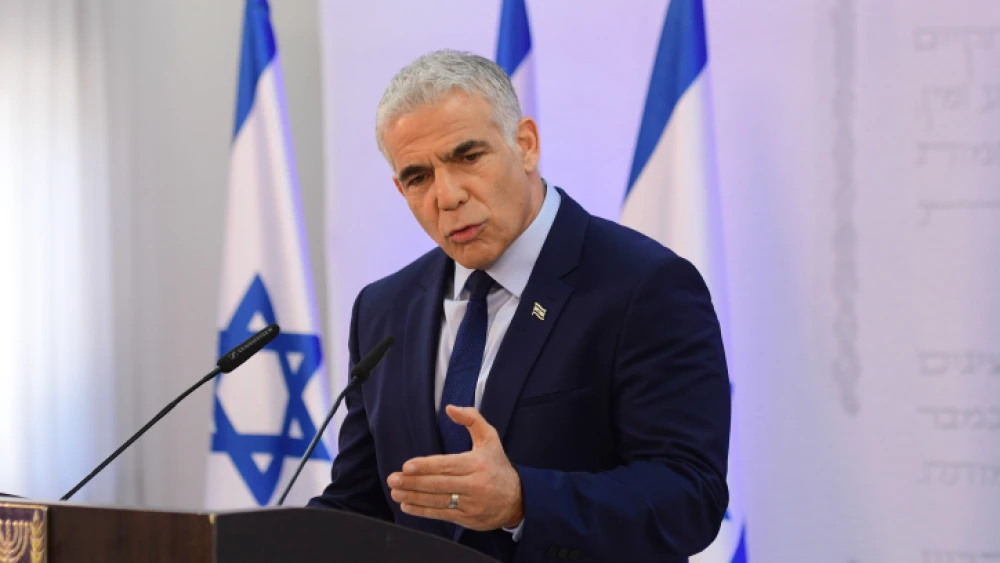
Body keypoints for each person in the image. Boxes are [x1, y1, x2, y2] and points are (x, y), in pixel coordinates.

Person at [309, 49, 731, 563]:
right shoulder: (383, 308)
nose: (447, 195)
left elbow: (690, 497)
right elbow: (362, 504)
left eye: (468, 157)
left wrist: (522, 501)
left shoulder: (644, 286)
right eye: (418, 177)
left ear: (525, 145)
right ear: (401, 187)